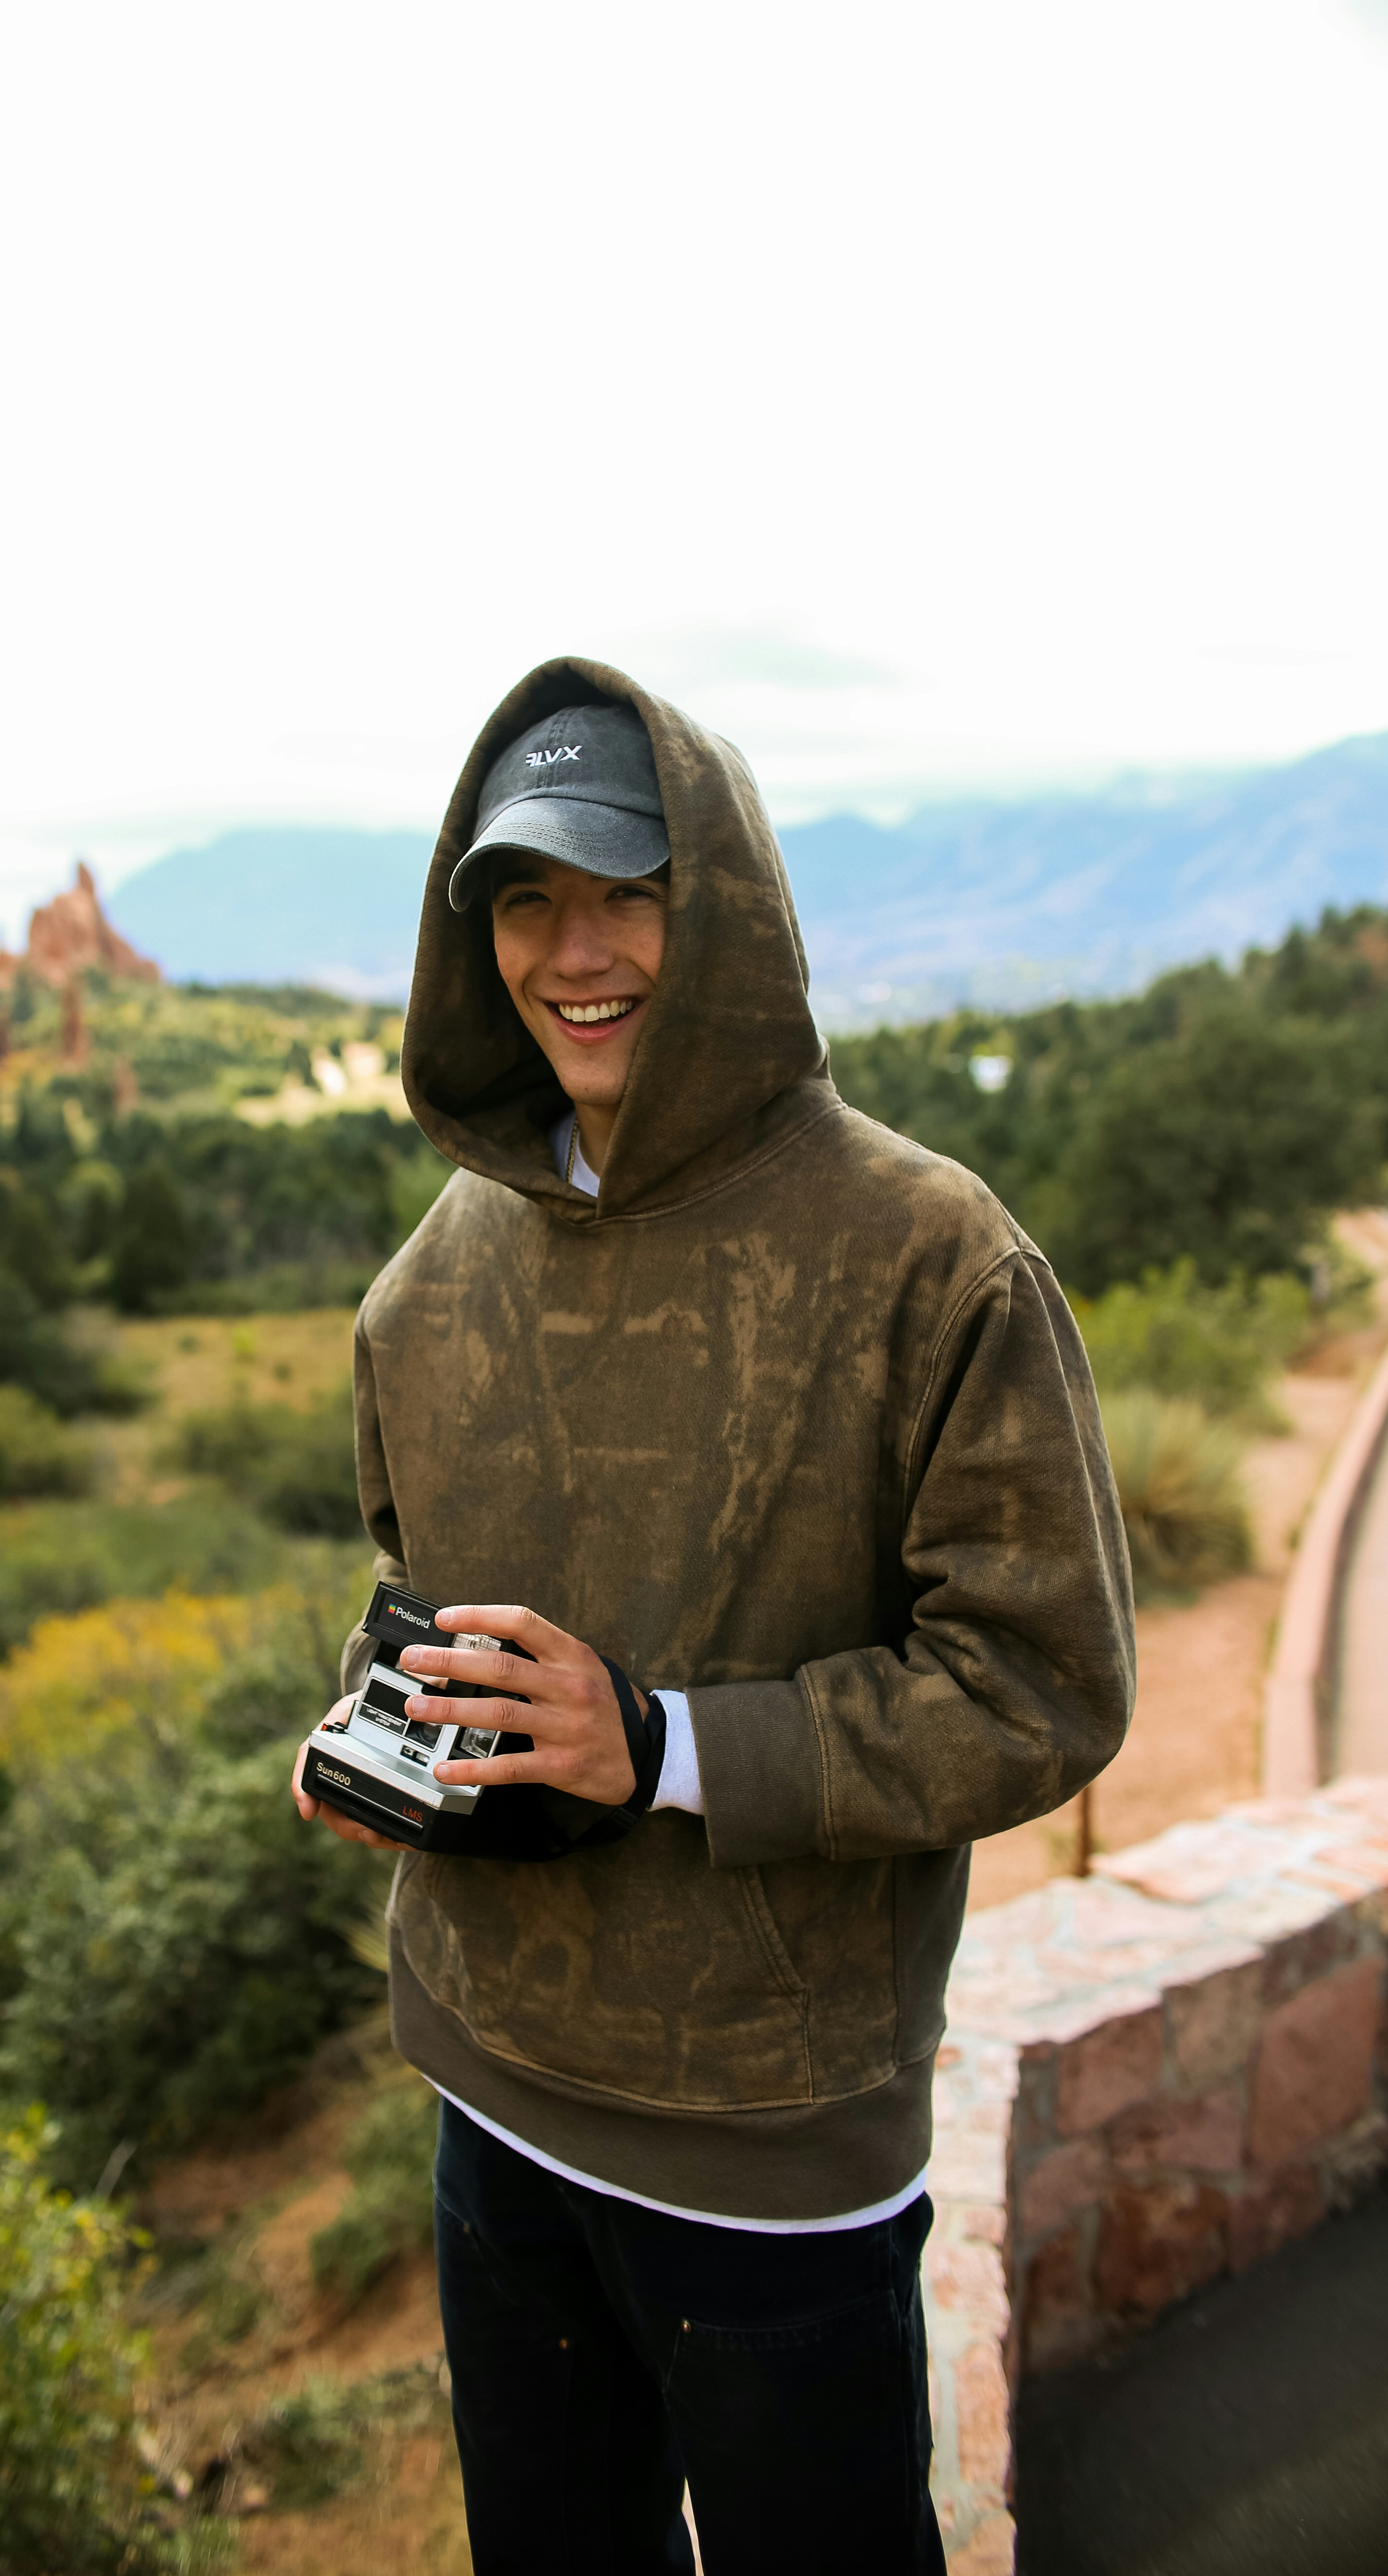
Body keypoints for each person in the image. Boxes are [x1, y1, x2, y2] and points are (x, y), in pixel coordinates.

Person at [292, 659, 1134, 2576]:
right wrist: (377, 1736)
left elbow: (1042, 1686)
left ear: (726, 906)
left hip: (767, 2159)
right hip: (489, 2113)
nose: (572, 952)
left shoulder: (930, 1259)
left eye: (624, 889)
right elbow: (418, 1607)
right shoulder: (425, 1287)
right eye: (524, 899)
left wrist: (662, 1744)